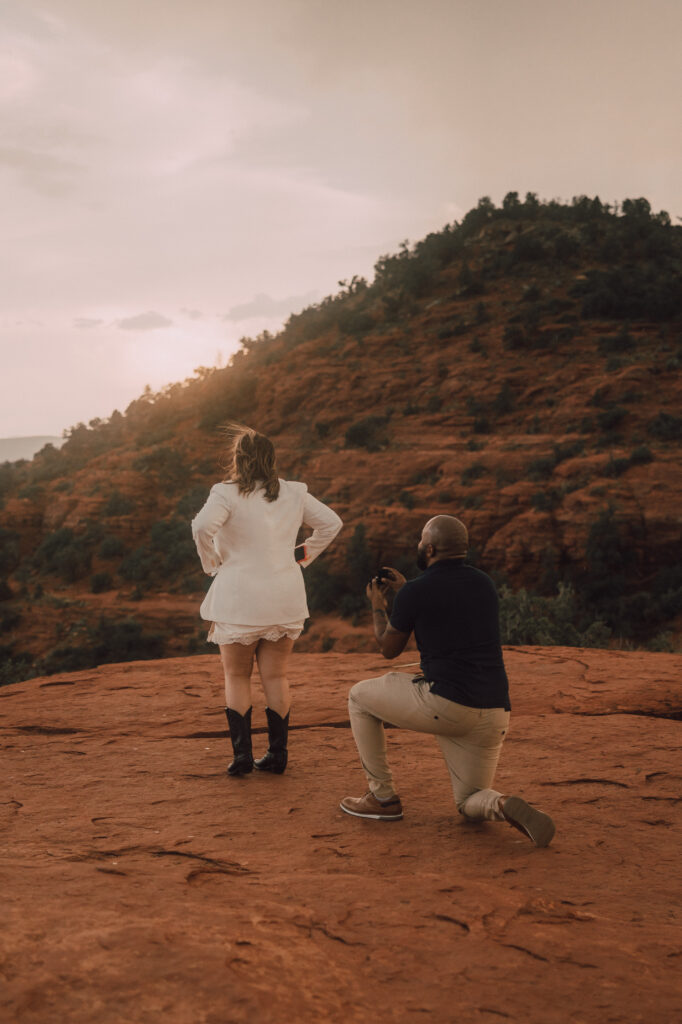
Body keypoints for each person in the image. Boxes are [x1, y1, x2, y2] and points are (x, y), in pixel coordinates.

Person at [340, 514, 555, 847]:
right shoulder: (484, 583)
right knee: (469, 802)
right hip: (494, 711)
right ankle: (499, 803)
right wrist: (407, 589)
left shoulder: (417, 592)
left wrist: (378, 606)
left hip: (447, 705)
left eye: (420, 542)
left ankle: (381, 799)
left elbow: (388, 649)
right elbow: (447, 605)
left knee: (358, 697)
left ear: (430, 548)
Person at [192, 426, 342, 777]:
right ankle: (277, 755)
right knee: (276, 677)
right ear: (271, 458)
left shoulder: (225, 493)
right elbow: (331, 524)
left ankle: (242, 757)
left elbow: (201, 528)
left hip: (239, 600)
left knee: (236, 676)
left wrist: (212, 562)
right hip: (285, 596)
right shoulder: (294, 492)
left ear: (238, 459)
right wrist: (300, 556)